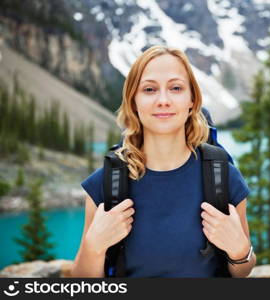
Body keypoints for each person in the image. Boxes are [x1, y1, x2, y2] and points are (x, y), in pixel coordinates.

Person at [70, 45, 256, 278]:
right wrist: (94, 246)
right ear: (134, 102)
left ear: (192, 100)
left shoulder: (222, 175)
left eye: (176, 88)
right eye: (149, 89)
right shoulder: (106, 182)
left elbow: (242, 271)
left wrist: (239, 249)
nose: (163, 100)